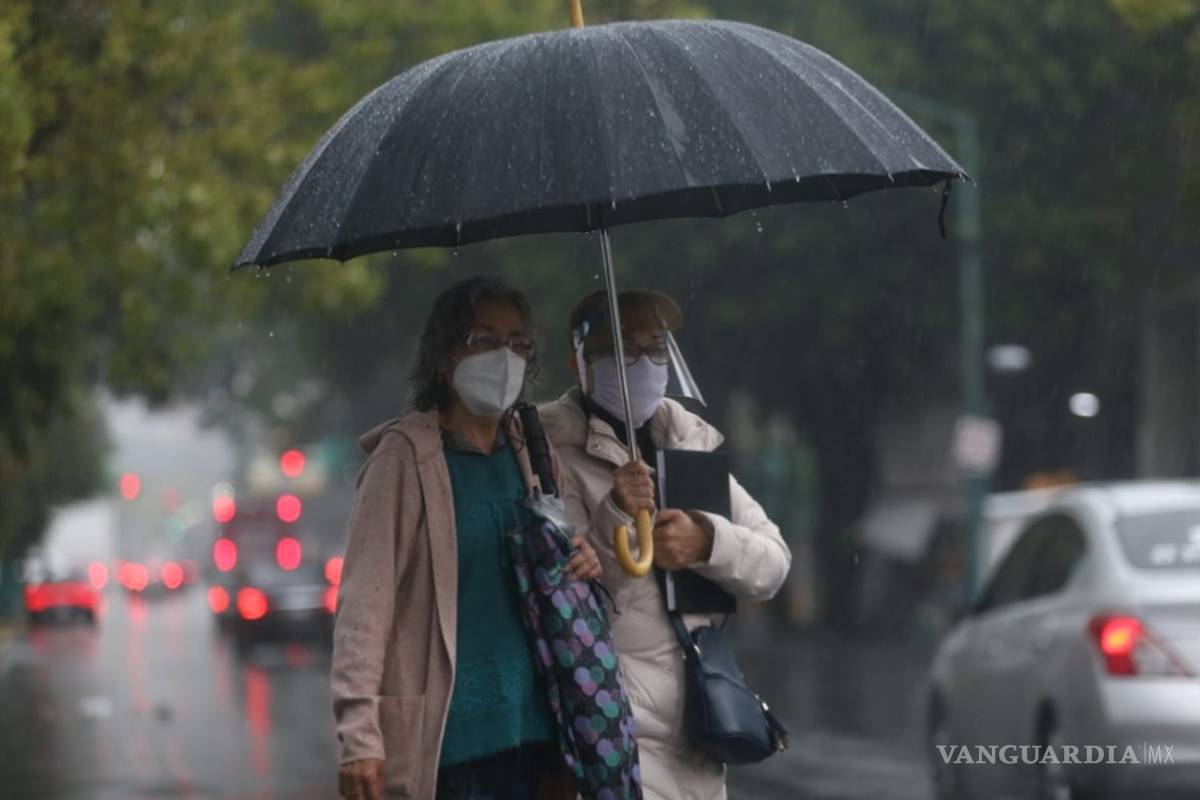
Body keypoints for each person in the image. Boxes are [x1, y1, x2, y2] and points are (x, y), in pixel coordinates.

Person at [332, 277, 602, 800]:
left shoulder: (535, 458)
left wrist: (587, 561)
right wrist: (359, 734)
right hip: (448, 749)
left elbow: (574, 568)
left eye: (518, 343)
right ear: (443, 358)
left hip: (542, 740)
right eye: (484, 340)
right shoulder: (404, 462)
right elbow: (364, 607)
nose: (505, 357)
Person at [539, 289, 792, 800]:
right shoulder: (547, 452)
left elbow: (773, 565)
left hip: (702, 717)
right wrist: (615, 510)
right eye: (624, 350)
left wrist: (708, 542)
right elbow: (565, 589)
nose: (645, 363)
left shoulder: (688, 442)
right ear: (580, 364)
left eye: (656, 348)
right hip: (612, 718)